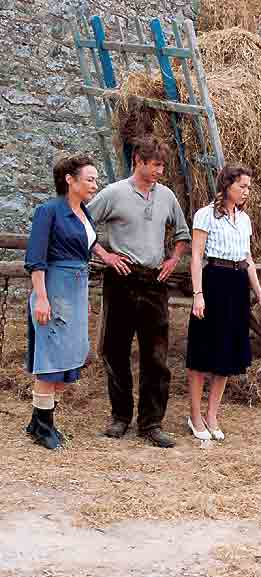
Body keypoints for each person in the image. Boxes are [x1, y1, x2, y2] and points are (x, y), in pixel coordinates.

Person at [87, 137, 191, 448]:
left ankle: (151, 423)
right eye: (155, 164)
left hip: (154, 281)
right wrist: (105, 255)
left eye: (162, 164)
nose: (160, 170)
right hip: (122, 278)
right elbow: (80, 221)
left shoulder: (167, 196)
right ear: (138, 161)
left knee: (156, 355)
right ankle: (120, 417)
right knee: (116, 350)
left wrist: (173, 258)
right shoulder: (115, 193)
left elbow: (183, 233)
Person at [185, 165, 261, 441]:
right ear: (226, 186)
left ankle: (212, 415)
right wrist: (198, 295)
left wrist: (259, 296)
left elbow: (247, 260)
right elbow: (197, 257)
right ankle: (195, 416)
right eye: (242, 186)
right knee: (202, 352)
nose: (246, 192)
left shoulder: (244, 220)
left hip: (236, 287)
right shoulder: (205, 215)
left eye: (248, 187)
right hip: (214, 282)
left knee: (226, 354)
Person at [24, 155, 98, 449]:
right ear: (70, 179)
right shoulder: (49, 211)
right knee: (51, 358)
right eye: (90, 179)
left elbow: (88, 246)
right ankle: (43, 427)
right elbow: (36, 259)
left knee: (69, 358)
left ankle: (37, 420)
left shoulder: (84, 212)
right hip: (54, 289)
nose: (95, 184)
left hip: (76, 291)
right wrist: (41, 298)